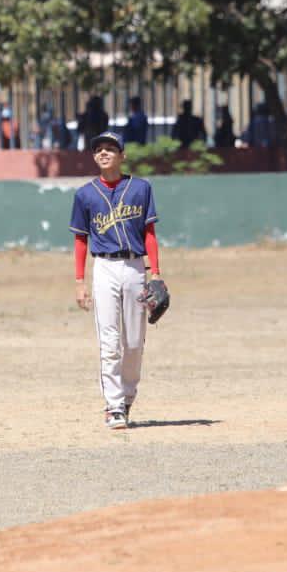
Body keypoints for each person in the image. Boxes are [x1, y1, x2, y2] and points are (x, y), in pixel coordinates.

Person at [68, 130, 162, 430]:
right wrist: (79, 281)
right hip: (104, 268)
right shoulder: (85, 194)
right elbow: (81, 240)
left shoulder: (141, 188)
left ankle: (128, 396)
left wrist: (156, 273)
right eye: (99, 149)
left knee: (134, 342)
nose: (104, 153)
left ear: (123, 155)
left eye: (111, 148)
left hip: (135, 267)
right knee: (109, 343)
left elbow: (149, 234)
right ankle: (114, 405)